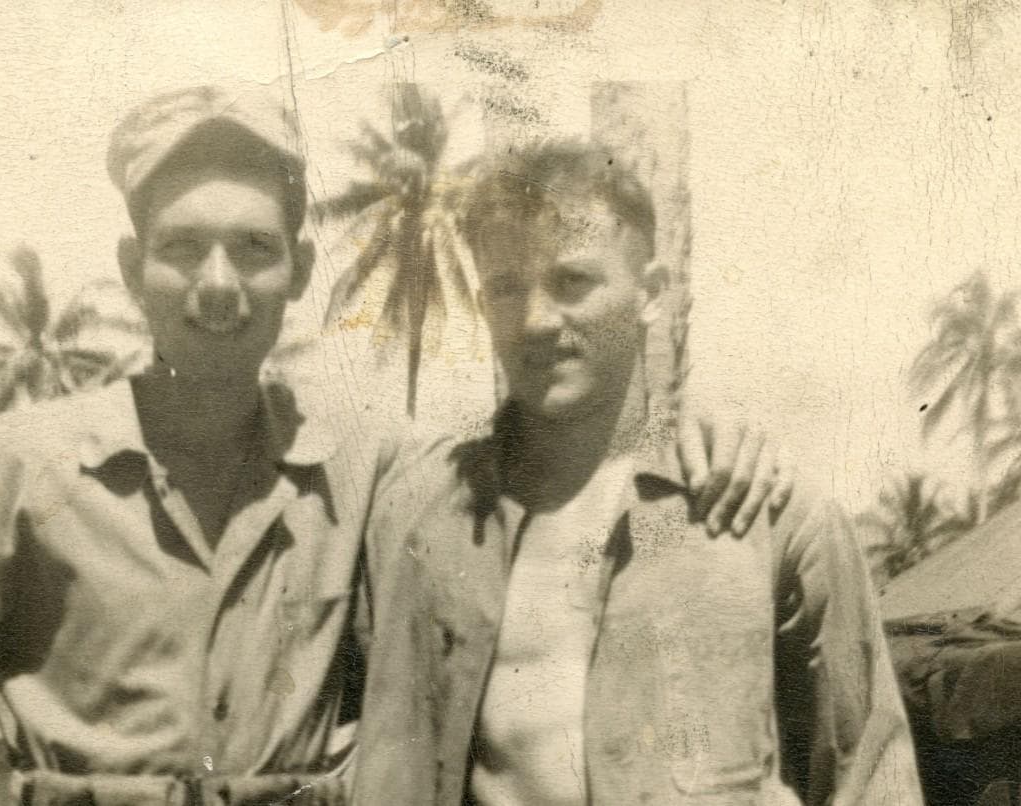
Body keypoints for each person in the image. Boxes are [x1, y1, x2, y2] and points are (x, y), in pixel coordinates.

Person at [0, 86, 783, 806]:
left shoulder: (372, 472)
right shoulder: (28, 467)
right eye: (181, 247)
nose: (218, 283)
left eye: (254, 249)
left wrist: (693, 438)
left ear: (299, 271)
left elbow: (554, 451)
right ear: (132, 267)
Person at [351, 140, 924, 805]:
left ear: (649, 294)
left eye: (572, 281)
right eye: (507, 289)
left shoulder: (764, 511)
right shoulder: (420, 523)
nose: (536, 320)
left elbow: (873, 775)